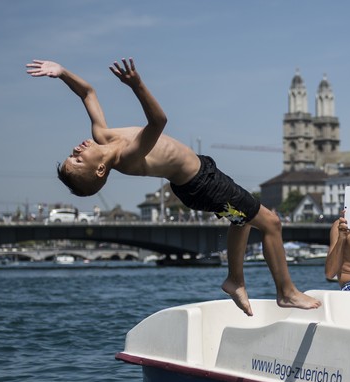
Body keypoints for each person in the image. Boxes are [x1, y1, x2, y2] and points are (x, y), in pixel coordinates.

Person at [26, 57, 320, 316]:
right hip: (202, 184)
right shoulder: (126, 157)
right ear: (100, 170)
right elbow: (158, 121)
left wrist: (61, 72)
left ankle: (235, 280)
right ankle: (286, 292)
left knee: (241, 220)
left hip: (202, 172)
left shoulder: (101, 134)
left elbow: (88, 92)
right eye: (76, 161)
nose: (75, 152)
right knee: (271, 223)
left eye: (71, 155)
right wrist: (137, 85)